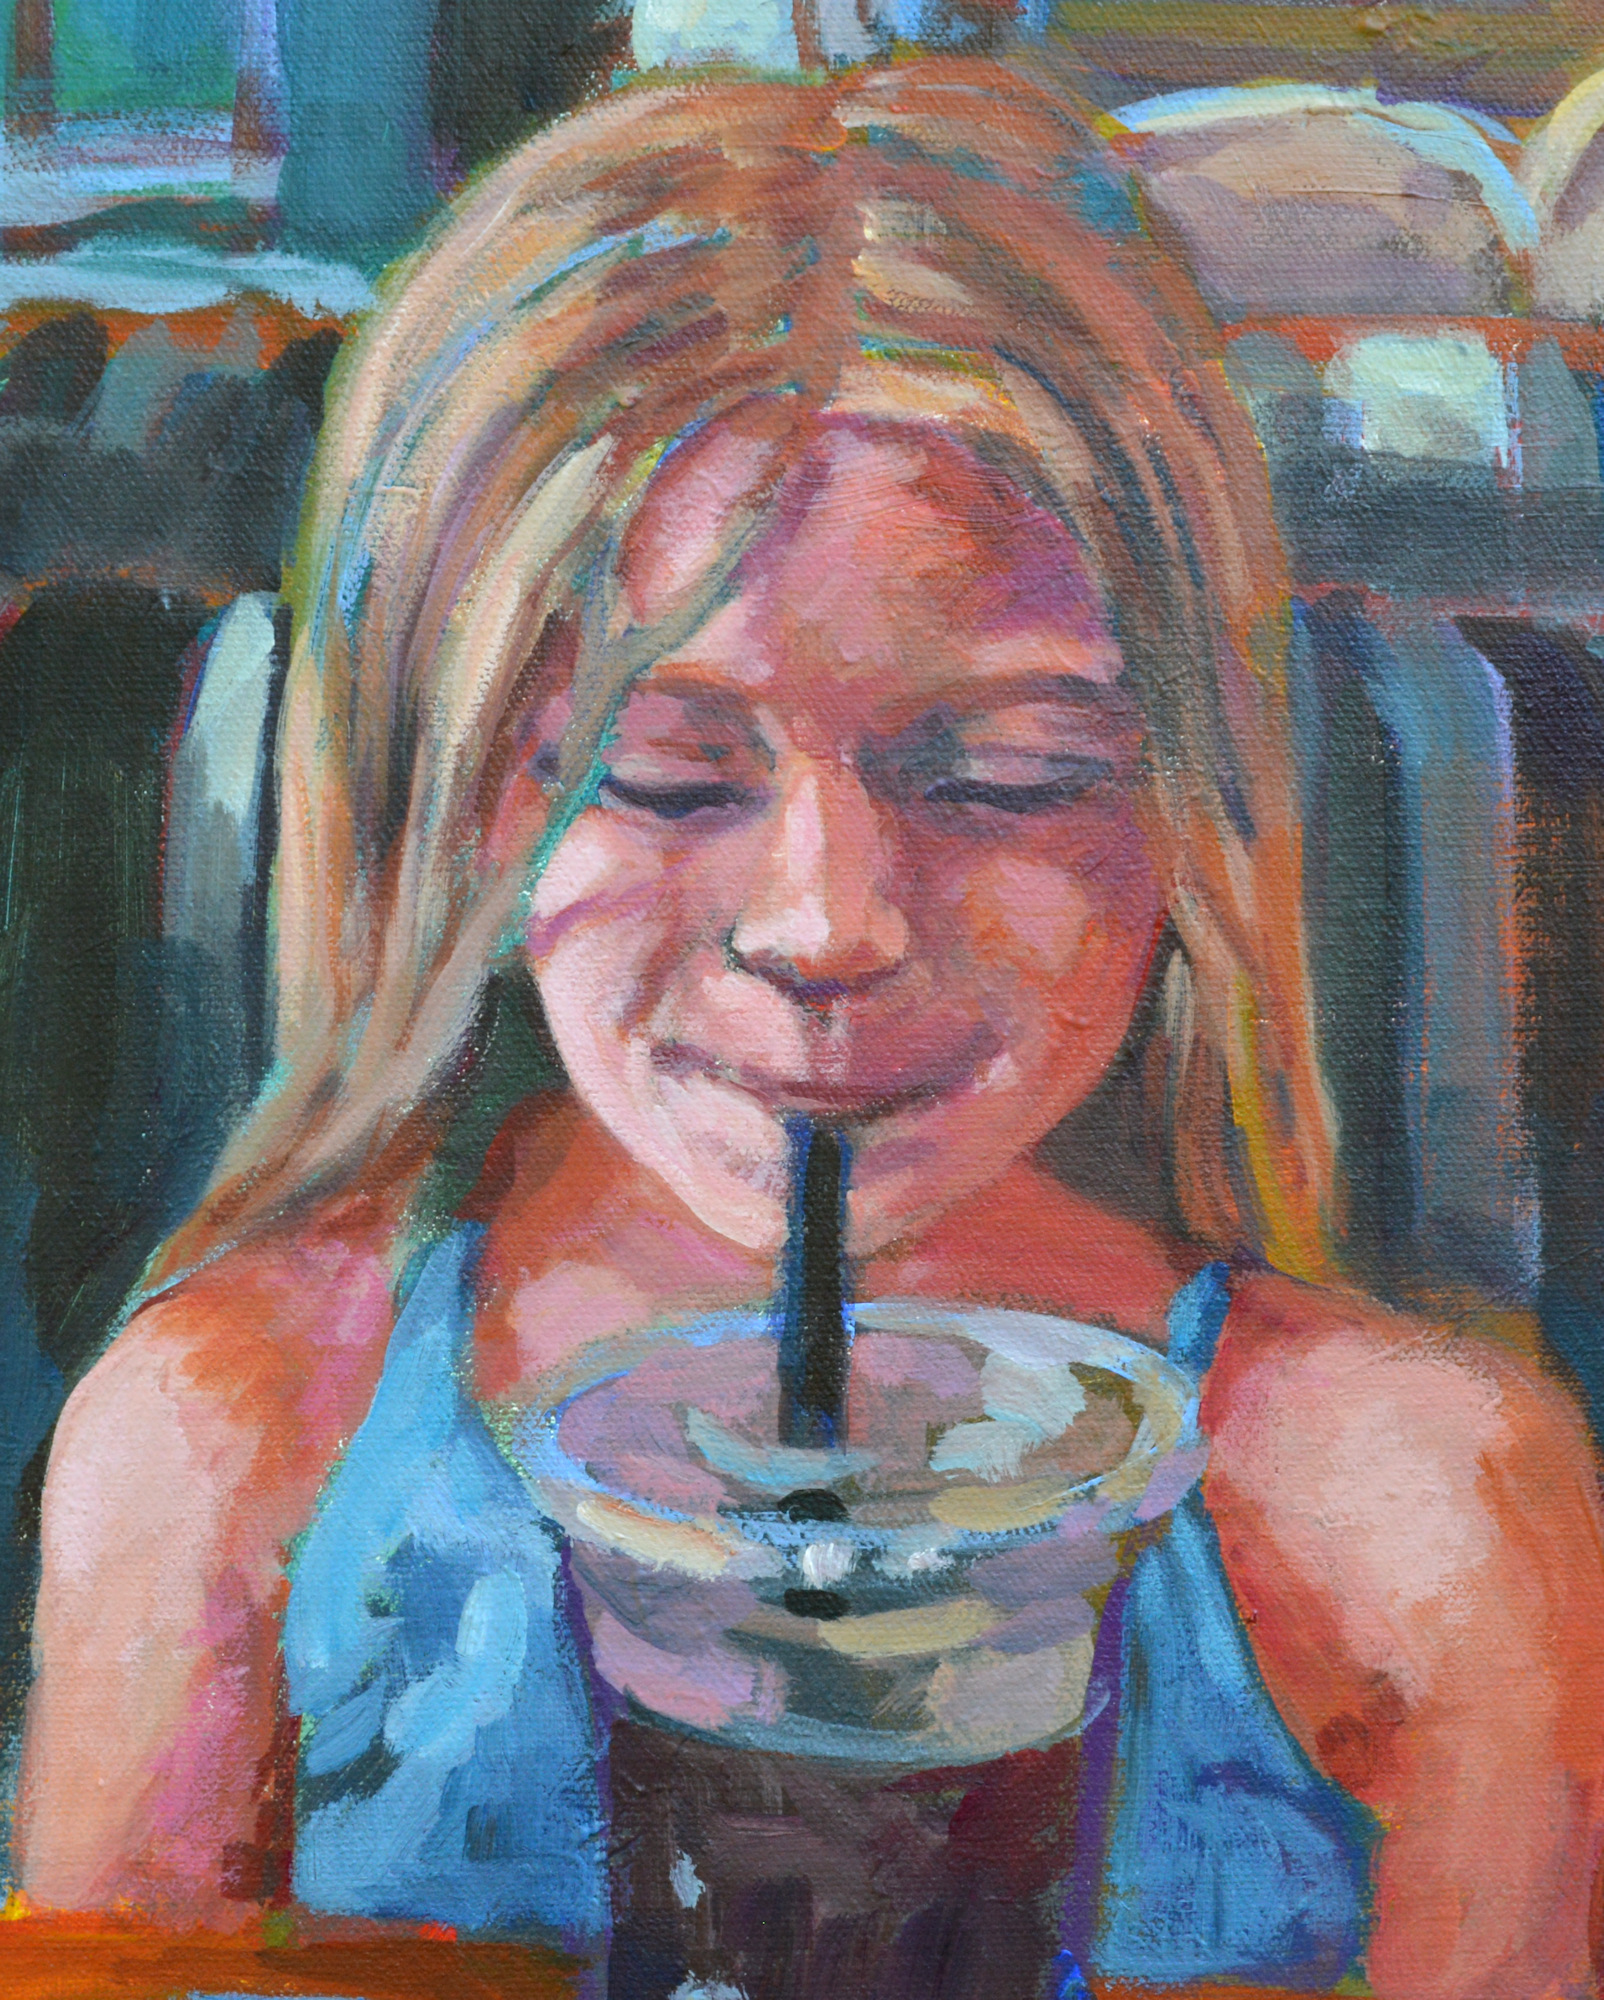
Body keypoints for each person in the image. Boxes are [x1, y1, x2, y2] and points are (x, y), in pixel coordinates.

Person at [16, 53, 1604, 2000]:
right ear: (448, 804)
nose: (828, 927)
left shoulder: (1419, 1509)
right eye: (666, 777)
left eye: (1006, 777)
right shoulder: (239, 1442)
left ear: (1196, 806)